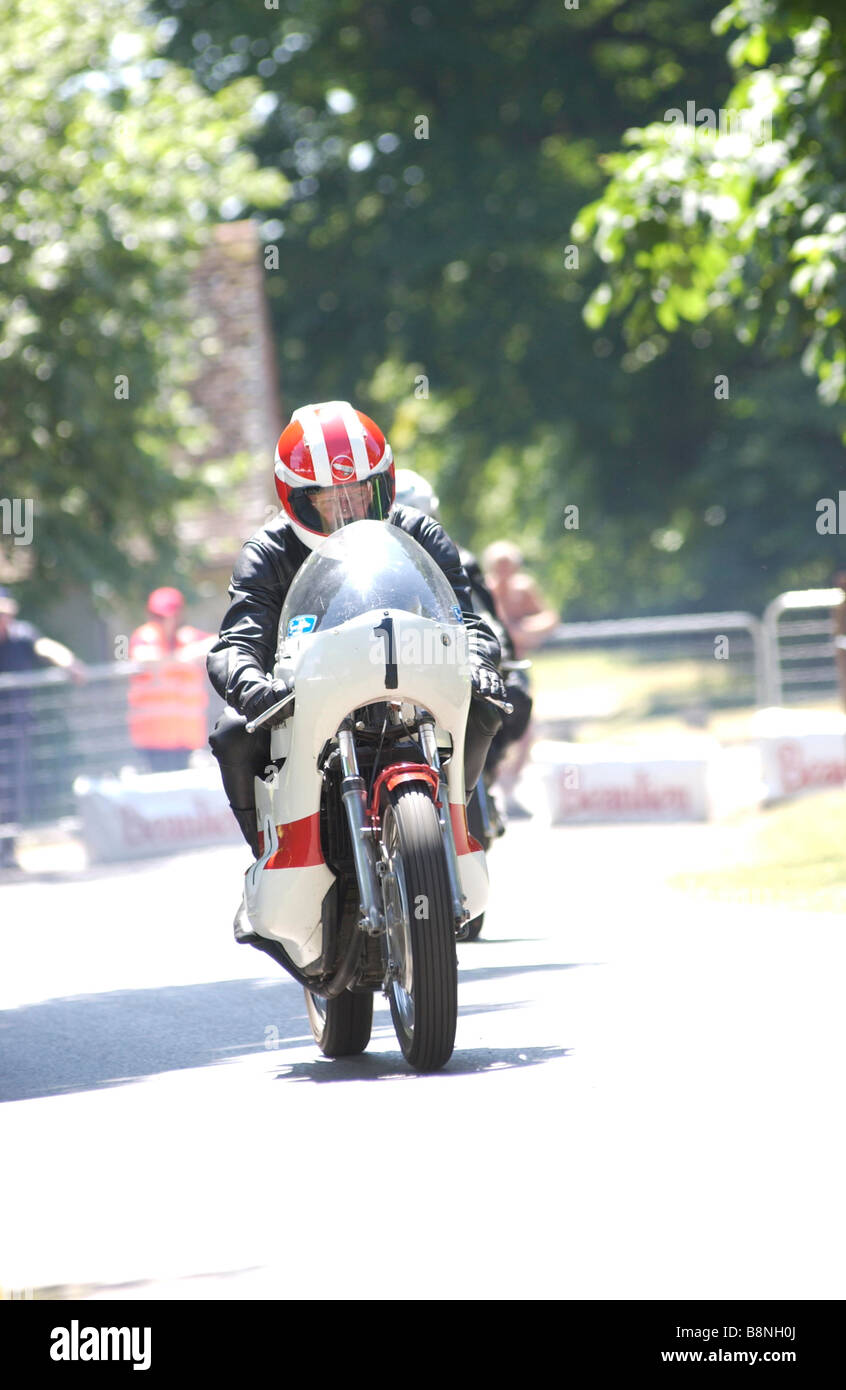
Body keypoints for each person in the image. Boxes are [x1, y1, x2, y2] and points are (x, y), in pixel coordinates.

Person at [207, 402, 506, 859]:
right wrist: (253, 687)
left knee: (487, 705)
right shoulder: (267, 552)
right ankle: (271, 852)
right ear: (301, 499)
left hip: (413, 686)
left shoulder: (420, 532)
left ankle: (458, 823)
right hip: (306, 699)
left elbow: (467, 620)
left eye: (359, 491)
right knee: (233, 732)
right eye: (330, 497)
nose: (348, 508)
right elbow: (238, 641)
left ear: (381, 485)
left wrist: (479, 662)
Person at [393, 469, 533, 784]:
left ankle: (486, 771)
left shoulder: (456, 558)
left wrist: (491, 657)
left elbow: (481, 615)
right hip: (395, 668)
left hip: (446, 657)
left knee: (511, 693)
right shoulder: (364, 565)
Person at [0, 587, 86, 866]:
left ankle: (7, 852)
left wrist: (69, 663)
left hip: (16, 729)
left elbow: (46, 646)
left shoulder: (21, 635)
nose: (4, 618)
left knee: (13, 790)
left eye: (6, 612)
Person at [482, 541, 558, 817]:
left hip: (517, 667)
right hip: (489, 668)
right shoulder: (484, 589)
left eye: (509, 567)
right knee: (491, 724)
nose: (504, 573)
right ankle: (491, 783)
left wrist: (524, 630)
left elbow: (549, 618)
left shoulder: (523, 590)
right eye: (499, 567)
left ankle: (511, 787)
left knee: (526, 728)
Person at [128, 588, 214, 773]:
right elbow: (142, 657)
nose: (159, 622)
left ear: (178, 615)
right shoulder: (144, 637)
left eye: (164, 616)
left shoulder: (189, 638)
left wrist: (187, 653)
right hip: (152, 743)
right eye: (155, 616)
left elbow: (219, 642)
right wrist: (180, 658)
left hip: (186, 741)